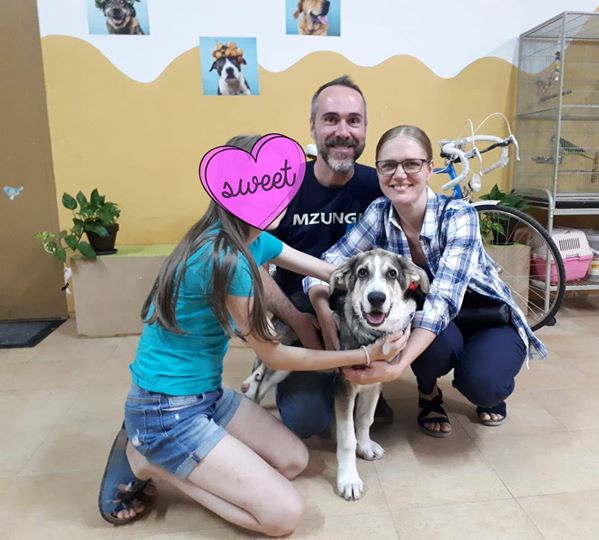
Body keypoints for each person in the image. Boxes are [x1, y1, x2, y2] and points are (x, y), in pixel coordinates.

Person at [97, 135, 409, 535]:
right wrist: (364, 356)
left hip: (206, 393)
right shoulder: (227, 260)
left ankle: (175, 449)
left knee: (294, 461)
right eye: (273, 188)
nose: (286, 198)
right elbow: (275, 356)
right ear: (237, 192)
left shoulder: (250, 237)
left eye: (283, 186)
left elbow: (327, 270)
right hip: (166, 405)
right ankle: (147, 459)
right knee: (282, 517)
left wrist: (371, 284)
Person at [304, 125, 548, 437]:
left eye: (411, 164)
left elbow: (442, 300)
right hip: (440, 325)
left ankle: (487, 387)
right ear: (378, 171)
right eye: (388, 165)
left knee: (485, 384)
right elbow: (329, 262)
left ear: (430, 168)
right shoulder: (378, 213)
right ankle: (429, 392)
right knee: (422, 334)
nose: (399, 175)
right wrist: (323, 310)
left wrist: (395, 368)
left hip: (485, 316)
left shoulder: (459, 215)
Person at [259, 75, 393, 438]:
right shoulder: (283, 186)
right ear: (313, 126)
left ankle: (364, 384)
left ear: (365, 128)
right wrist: (299, 321)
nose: (343, 132)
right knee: (308, 421)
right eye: (331, 119)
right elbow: (255, 264)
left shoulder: (380, 186)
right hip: (300, 316)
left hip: (363, 318)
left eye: (354, 120)